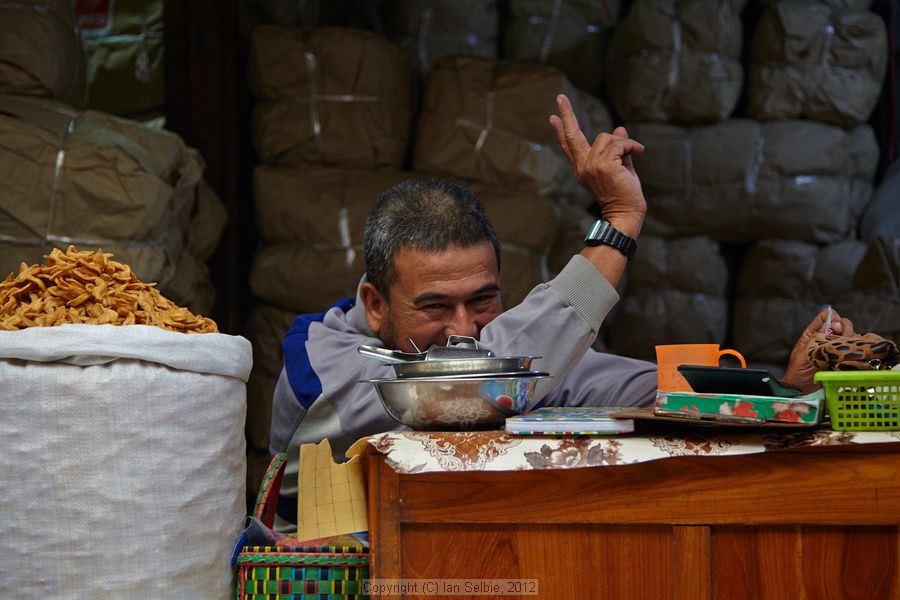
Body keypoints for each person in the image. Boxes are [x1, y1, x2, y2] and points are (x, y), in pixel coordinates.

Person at [268, 94, 853, 527]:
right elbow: (467, 386)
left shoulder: (528, 363)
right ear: (375, 303)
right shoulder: (321, 364)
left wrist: (783, 390)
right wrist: (618, 223)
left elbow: (657, 393)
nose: (465, 330)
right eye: (434, 307)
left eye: (483, 300)